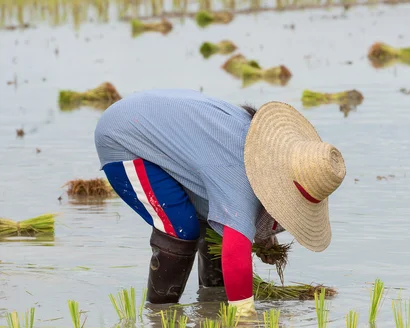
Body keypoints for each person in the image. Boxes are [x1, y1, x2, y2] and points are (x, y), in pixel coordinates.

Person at [94, 89, 346, 316]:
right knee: (181, 227)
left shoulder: (263, 154)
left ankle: (211, 305)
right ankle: (161, 318)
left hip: (156, 121)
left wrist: (262, 232)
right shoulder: (239, 177)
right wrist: (244, 323)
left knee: (217, 220)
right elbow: (236, 250)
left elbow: (252, 203)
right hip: (123, 136)